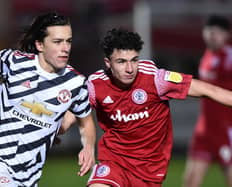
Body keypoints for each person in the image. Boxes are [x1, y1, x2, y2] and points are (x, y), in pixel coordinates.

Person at [61, 28, 232, 187]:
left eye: (134, 60)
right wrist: (53, 129)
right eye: (121, 61)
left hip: (149, 170)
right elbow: (73, 114)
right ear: (108, 63)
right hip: (114, 162)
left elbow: (209, 90)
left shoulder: (156, 80)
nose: (129, 69)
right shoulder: (95, 84)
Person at [0, 12, 96, 187]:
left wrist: (88, 147)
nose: (65, 48)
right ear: (40, 44)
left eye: (69, 41)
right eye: (57, 42)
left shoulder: (76, 83)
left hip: (28, 177)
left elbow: (85, 121)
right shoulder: (13, 62)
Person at [183, 15, 232, 187]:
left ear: (227, 35)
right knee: (190, 181)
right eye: (209, 31)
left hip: (227, 128)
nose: (213, 35)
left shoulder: (229, 56)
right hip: (205, 128)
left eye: (218, 32)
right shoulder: (207, 56)